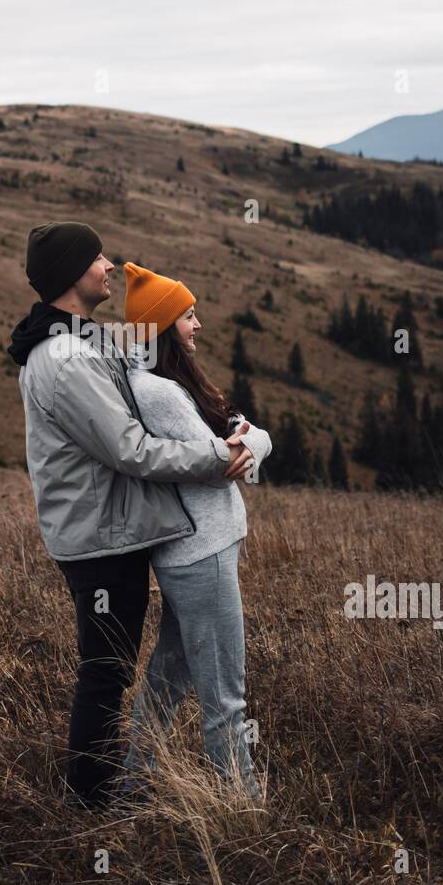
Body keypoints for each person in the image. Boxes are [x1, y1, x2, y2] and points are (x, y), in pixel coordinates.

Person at [7, 221, 257, 807]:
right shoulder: (66, 359)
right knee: (106, 671)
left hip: (110, 529)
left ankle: (120, 784)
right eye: (97, 258)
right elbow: (130, 449)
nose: (109, 266)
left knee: (120, 667)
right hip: (99, 538)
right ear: (73, 273)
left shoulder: (81, 340)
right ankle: (93, 803)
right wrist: (219, 456)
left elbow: (148, 366)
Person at [120, 261, 272, 802]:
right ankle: (243, 808)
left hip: (199, 551)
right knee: (225, 695)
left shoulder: (172, 382)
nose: (198, 324)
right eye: (188, 316)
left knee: (167, 680)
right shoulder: (158, 393)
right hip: (199, 554)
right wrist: (246, 444)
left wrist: (252, 443)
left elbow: (247, 436)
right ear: (162, 327)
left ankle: (131, 784)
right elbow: (220, 454)